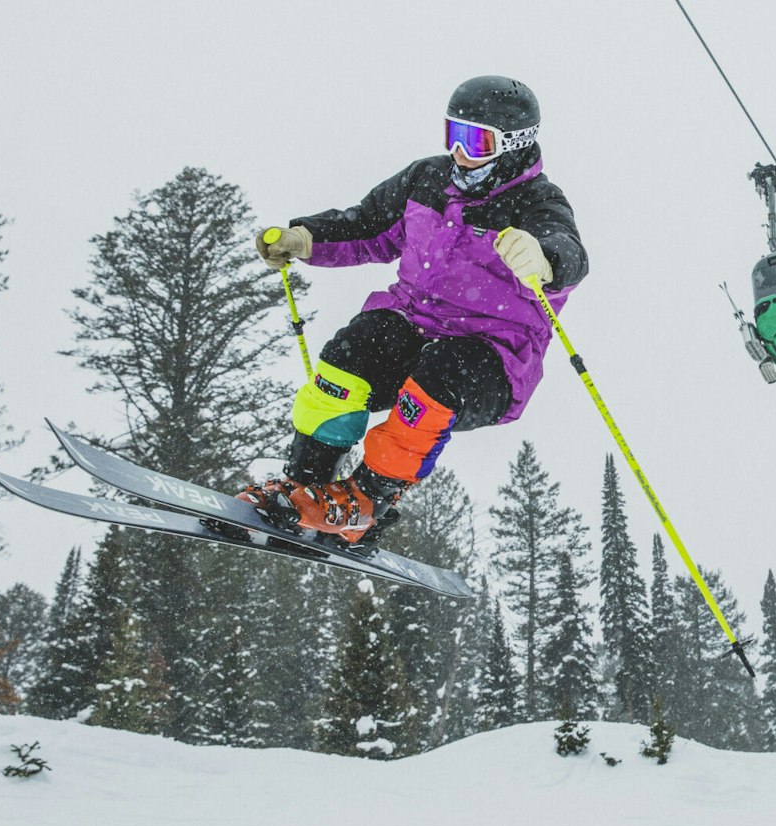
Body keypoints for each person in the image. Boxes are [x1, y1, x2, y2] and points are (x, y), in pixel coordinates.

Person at [240, 75, 586, 545]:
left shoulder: (536, 201)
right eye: (454, 136)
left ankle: (366, 500)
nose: (461, 153)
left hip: (491, 361)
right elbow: (366, 225)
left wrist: (545, 259)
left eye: (478, 141)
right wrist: (306, 238)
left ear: (514, 145)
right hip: (412, 329)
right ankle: (307, 483)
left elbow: (569, 251)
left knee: (441, 369)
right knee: (354, 347)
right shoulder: (427, 180)